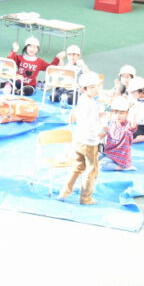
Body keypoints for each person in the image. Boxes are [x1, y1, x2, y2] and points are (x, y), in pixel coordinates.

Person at [57, 72, 107, 205]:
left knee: (77, 167)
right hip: (90, 142)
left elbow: (76, 117)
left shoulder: (82, 99)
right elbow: (93, 125)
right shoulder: (93, 105)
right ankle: (85, 198)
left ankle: (64, 192)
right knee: (92, 170)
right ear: (85, 89)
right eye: (92, 87)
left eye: (97, 86)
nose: (96, 89)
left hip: (79, 139)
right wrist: (102, 120)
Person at [100, 96, 137, 171]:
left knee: (101, 165)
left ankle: (124, 167)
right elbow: (102, 133)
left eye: (121, 113)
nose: (118, 116)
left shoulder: (127, 126)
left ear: (126, 114)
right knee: (92, 158)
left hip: (119, 156)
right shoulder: (112, 122)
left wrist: (133, 110)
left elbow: (133, 125)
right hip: (108, 151)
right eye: (116, 113)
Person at [128, 76, 144, 143]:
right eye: (131, 92)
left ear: (142, 91)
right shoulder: (137, 98)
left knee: (127, 139)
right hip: (130, 124)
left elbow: (137, 122)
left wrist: (132, 110)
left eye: (133, 92)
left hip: (139, 127)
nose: (131, 94)